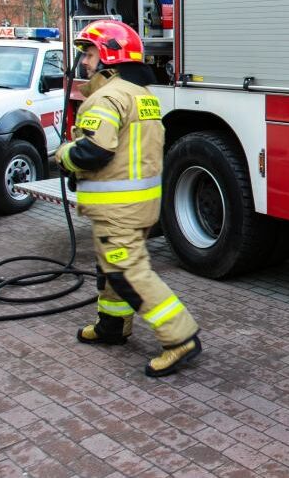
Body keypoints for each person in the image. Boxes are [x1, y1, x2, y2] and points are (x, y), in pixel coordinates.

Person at [54, 19, 201, 377]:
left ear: (108, 57)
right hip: (138, 204)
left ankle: (180, 337)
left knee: (125, 270)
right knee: (110, 268)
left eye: (88, 53)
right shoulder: (142, 96)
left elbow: (94, 151)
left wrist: (62, 156)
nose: (83, 62)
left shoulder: (106, 97)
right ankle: (112, 326)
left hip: (117, 208)